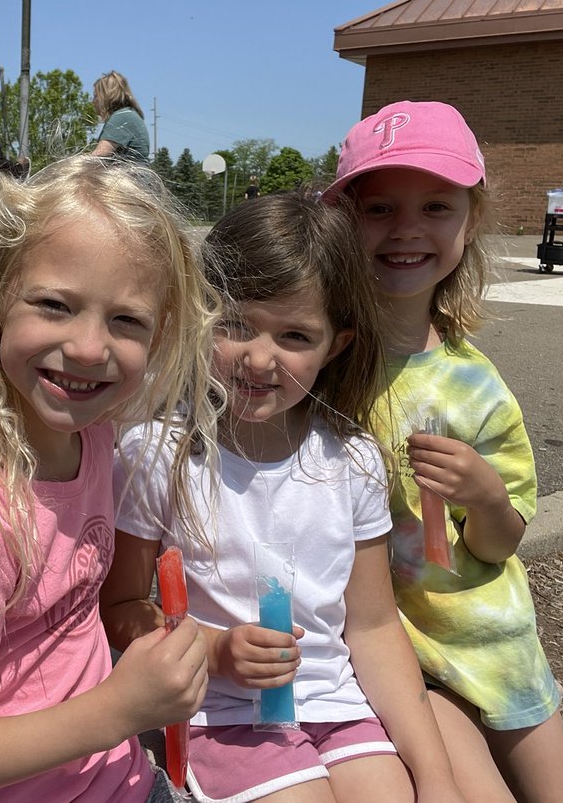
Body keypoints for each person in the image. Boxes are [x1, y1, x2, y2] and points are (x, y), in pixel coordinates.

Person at [0, 155, 222, 801]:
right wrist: (120, 710)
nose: (90, 347)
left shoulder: (88, 437)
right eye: (56, 305)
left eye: (126, 320)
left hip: (115, 777)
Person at [103, 193, 465, 803]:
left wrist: (436, 777)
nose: (259, 357)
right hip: (217, 714)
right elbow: (121, 605)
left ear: (338, 345)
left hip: (337, 703)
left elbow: (374, 626)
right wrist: (213, 650)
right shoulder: (158, 453)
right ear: (201, 315)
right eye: (237, 324)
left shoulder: (353, 461)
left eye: (296, 335)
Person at [325, 100, 563, 803]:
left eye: (436, 207)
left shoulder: (479, 388)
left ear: (470, 223)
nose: (407, 229)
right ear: (342, 222)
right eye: (379, 208)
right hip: (394, 649)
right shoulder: (317, 365)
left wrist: (485, 495)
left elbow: (502, 543)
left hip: (492, 637)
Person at [91, 71, 150, 163]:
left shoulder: (121, 117)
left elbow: (98, 156)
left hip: (129, 176)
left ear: (107, 96)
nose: (93, 101)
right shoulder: (128, 114)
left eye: (95, 96)